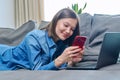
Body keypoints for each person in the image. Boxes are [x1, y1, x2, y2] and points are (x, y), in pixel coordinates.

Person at [0, 8, 84, 70]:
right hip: (4, 57)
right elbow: (37, 70)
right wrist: (60, 59)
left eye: (72, 29)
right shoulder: (33, 38)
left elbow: (56, 64)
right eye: (65, 25)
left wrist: (71, 62)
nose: (68, 31)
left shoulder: (62, 43)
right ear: (55, 21)